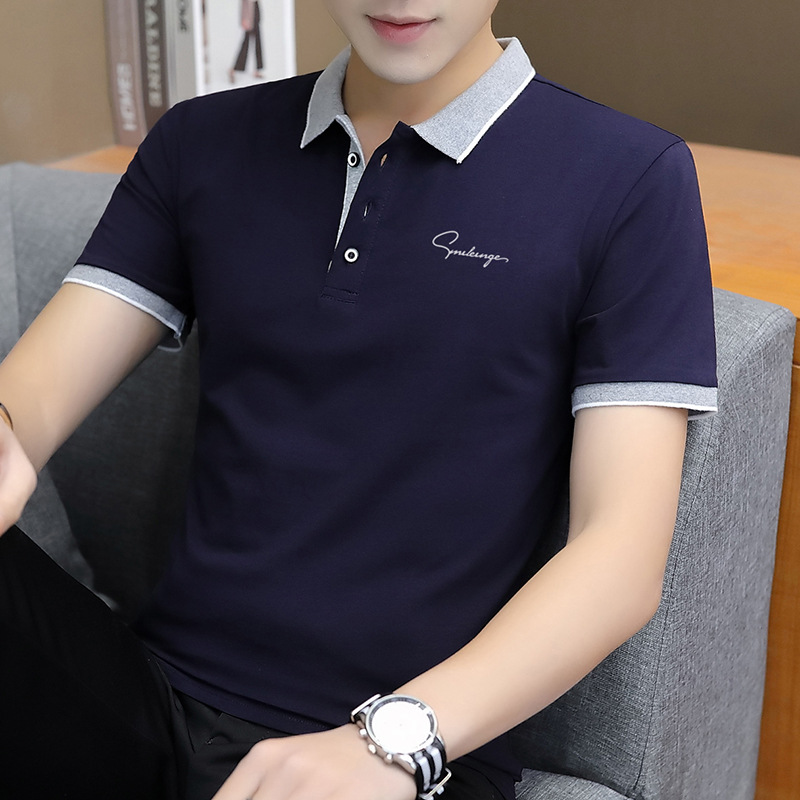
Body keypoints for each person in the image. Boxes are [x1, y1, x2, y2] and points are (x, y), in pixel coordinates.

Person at [0, 2, 718, 800]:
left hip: (408, 757)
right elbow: (25, 408)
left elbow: (619, 557)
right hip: (148, 701)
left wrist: (390, 744)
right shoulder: (200, 141)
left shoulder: (630, 177)